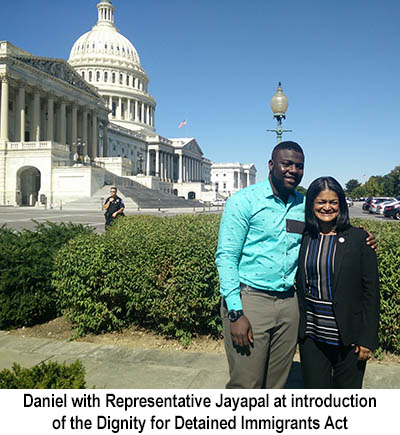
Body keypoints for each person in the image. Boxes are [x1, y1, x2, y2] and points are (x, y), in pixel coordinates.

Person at [215, 141, 376, 389]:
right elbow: (226, 256)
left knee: (276, 384)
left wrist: (362, 236)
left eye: (299, 166)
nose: (293, 170)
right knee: (246, 384)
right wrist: (235, 312)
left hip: (290, 306)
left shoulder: (304, 205)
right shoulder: (243, 201)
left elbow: (331, 224)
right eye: (286, 163)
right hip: (251, 300)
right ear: (271, 165)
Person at [296, 176, 380, 389]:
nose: (327, 207)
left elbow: (371, 292)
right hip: (312, 336)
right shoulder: (304, 236)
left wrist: (367, 339)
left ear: (341, 204)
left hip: (348, 338)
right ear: (311, 205)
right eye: (321, 202)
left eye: (333, 202)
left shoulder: (359, 239)